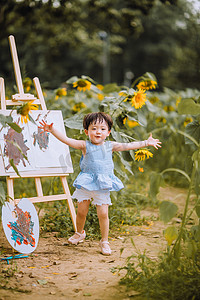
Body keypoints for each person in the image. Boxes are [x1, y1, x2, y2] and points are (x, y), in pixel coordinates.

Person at [39, 112, 161, 255]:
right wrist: (52, 130)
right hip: (86, 183)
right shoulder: (84, 145)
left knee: (103, 213)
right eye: (94, 128)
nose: (98, 132)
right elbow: (67, 140)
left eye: (102, 129)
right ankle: (79, 233)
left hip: (102, 184)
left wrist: (146, 142)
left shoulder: (111, 146)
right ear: (87, 131)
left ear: (108, 132)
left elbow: (128, 145)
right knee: (81, 211)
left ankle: (104, 241)